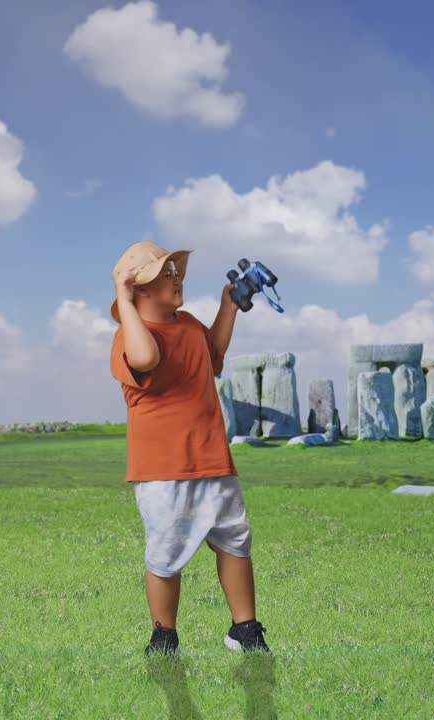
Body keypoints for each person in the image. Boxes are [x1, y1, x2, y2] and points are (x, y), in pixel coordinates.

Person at [109, 239, 270, 656]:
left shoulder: (189, 325)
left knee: (235, 539)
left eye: (176, 272)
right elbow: (145, 358)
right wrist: (123, 300)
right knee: (165, 550)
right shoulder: (128, 338)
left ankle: (245, 629)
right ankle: (164, 635)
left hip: (213, 457)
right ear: (138, 290)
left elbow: (212, 356)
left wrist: (229, 304)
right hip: (162, 469)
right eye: (165, 274)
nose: (176, 278)